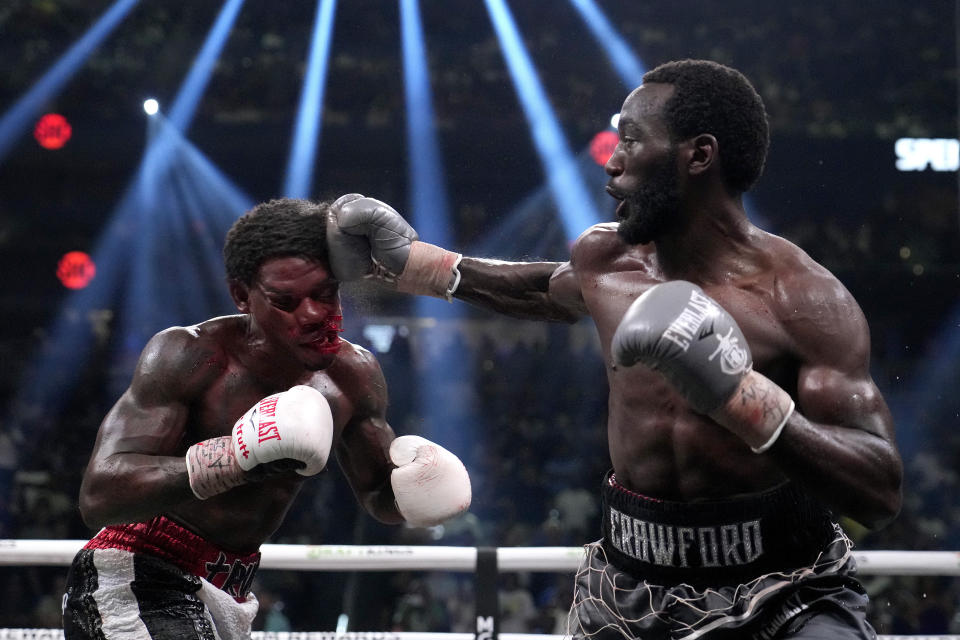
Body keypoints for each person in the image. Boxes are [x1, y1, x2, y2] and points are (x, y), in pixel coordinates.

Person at [325, 59, 903, 639]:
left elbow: (879, 490)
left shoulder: (803, 300)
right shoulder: (608, 261)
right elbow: (539, 288)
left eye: (631, 139)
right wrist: (412, 264)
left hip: (782, 585)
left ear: (698, 155)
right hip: (627, 584)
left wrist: (742, 397)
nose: (612, 159)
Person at [62, 198, 472, 640]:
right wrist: (232, 459)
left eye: (324, 293)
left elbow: (378, 496)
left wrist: (420, 488)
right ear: (243, 296)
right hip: (135, 571)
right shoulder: (190, 355)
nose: (314, 313)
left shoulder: (353, 375)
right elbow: (99, 494)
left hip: (231, 589)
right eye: (286, 301)